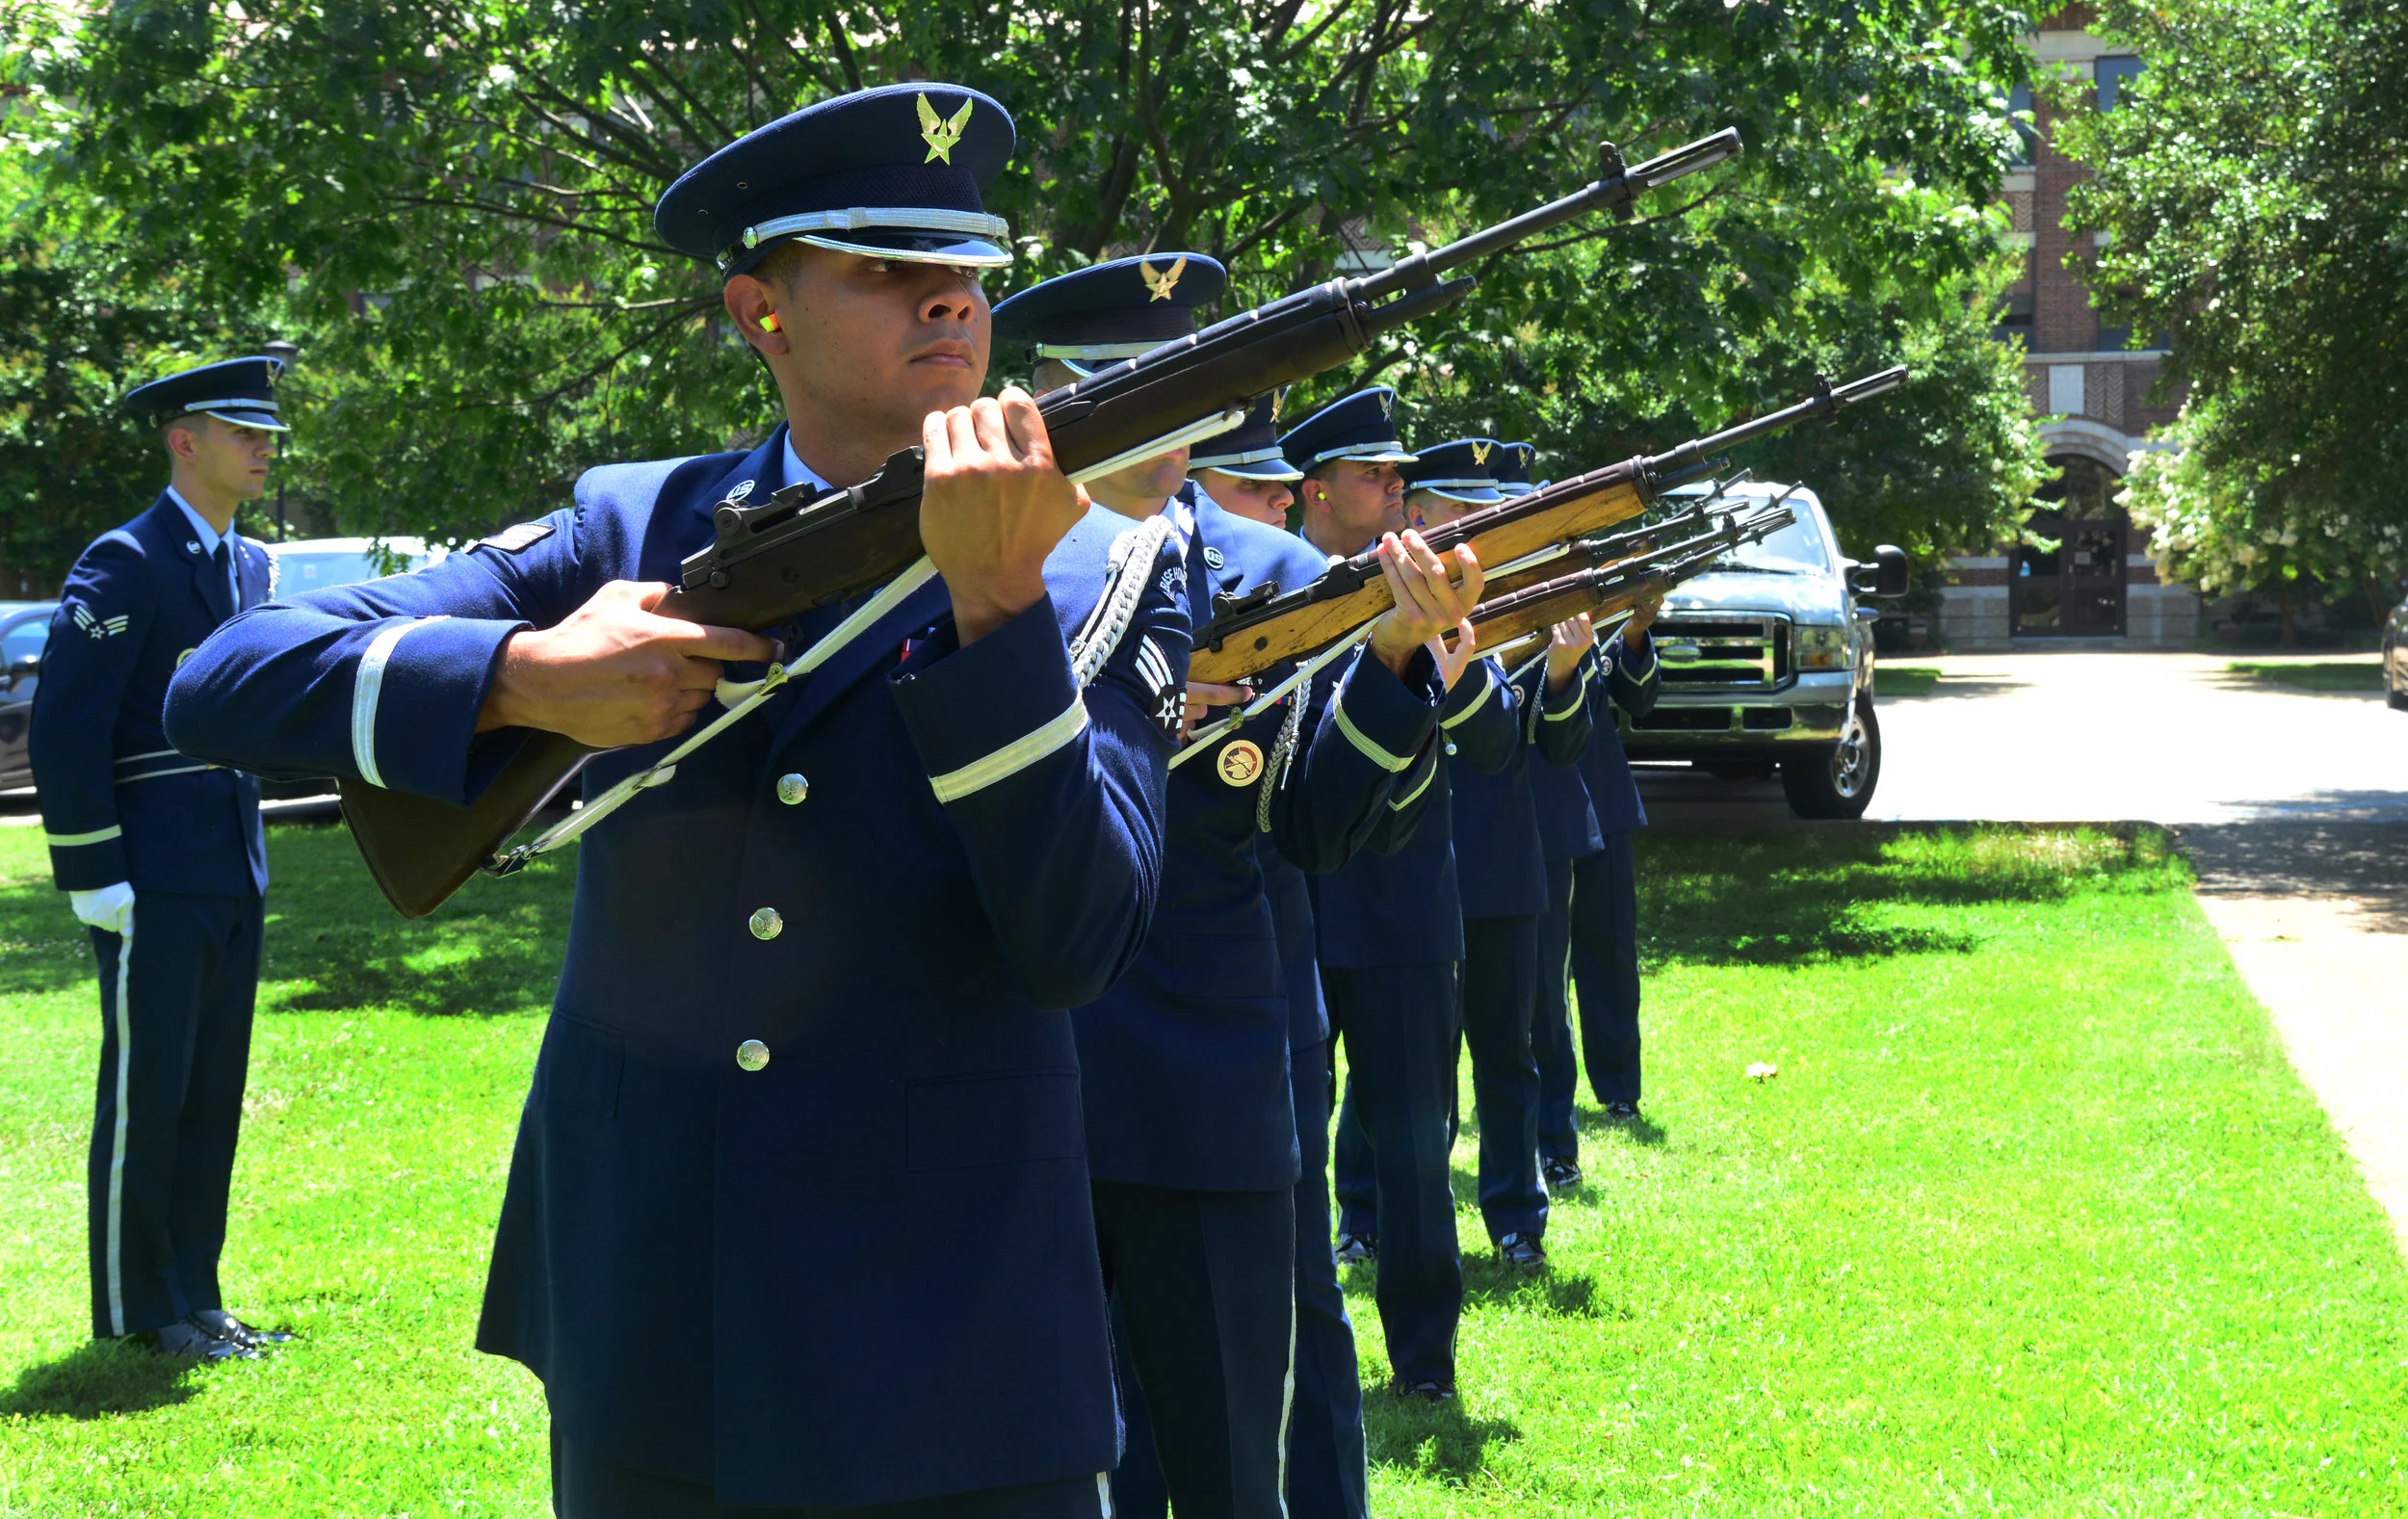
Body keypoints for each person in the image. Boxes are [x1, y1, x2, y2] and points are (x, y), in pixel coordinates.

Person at [169, 85, 1198, 1517]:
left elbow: (1079, 939)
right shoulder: (629, 525)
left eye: (967, 272)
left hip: (951, 1322)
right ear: (759, 312)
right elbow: (221, 676)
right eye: (886, 268)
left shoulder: (1104, 568)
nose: (950, 303)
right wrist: (522, 677)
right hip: (656, 1291)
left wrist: (999, 610)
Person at [992, 264, 1480, 1519]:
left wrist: (1392, 662)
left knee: (1227, 1468)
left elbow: (1320, 823)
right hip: (999, 1086)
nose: (1172, 428)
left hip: (1200, 1080)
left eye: (1187, 393)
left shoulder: (1270, 570)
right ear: (1054, 398)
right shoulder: (963, 569)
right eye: (1130, 394)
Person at [32, 355, 293, 1363]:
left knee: (211, 1090)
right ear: (185, 441)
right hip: (149, 871)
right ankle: (142, 1306)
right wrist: (93, 868)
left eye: (268, 433)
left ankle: (198, 1293)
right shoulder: (127, 560)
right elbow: (66, 726)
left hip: (230, 860)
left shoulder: (249, 565)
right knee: (150, 1093)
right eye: (243, 432)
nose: (263, 448)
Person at [1292, 395, 1503, 1403]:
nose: (1394, 489)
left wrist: (1447, 667)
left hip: (1401, 908)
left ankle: (1424, 1360)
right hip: (1290, 910)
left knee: (1417, 1150)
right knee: (1287, 1146)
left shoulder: (1427, 587)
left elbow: (1494, 739)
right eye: (1371, 474)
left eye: (1398, 475)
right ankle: (1291, 1344)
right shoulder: (1260, 588)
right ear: (1314, 491)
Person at [1191, 400, 1367, 1517]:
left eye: (1277, 489)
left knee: (1298, 1297)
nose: (1275, 509)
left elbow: (1329, 816)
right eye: (1248, 489)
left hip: (1265, 1001)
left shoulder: (1293, 602)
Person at [1403, 440, 1594, 1271]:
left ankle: (1517, 1217)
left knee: (1507, 1053)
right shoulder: (1388, 598)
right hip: (1408, 862)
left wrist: (1563, 669)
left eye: (1491, 511)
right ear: (1418, 516)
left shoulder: (1527, 600)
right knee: (1404, 1062)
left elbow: (1559, 746)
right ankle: (1369, 1213)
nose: (1481, 525)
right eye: (1462, 509)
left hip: (1502, 861)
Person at [1565, 600, 1663, 1123]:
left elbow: (1639, 698)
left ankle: (1620, 1087)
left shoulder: (1597, 596)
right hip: (1528, 803)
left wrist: (1635, 632)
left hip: (1602, 797)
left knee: (1612, 951)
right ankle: (1546, 1094)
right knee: (1536, 967)